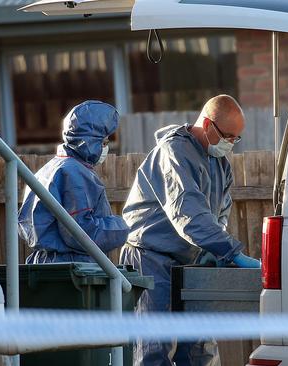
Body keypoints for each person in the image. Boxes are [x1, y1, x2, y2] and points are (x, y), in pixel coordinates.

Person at [120, 94, 261, 366]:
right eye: (228, 136)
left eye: (236, 138)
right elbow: (189, 213)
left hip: (190, 260)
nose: (231, 144)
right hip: (151, 258)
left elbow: (220, 211)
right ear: (208, 125)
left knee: (199, 347)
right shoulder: (174, 152)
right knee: (153, 349)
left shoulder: (220, 163)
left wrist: (213, 250)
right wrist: (232, 253)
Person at [19, 100, 130, 264]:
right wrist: (123, 227)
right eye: (104, 142)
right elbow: (81, 233)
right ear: (90, 141)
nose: (105, 147)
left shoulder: (52, 167)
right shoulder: (74, 173)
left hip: (47, 264)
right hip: (72, 268)